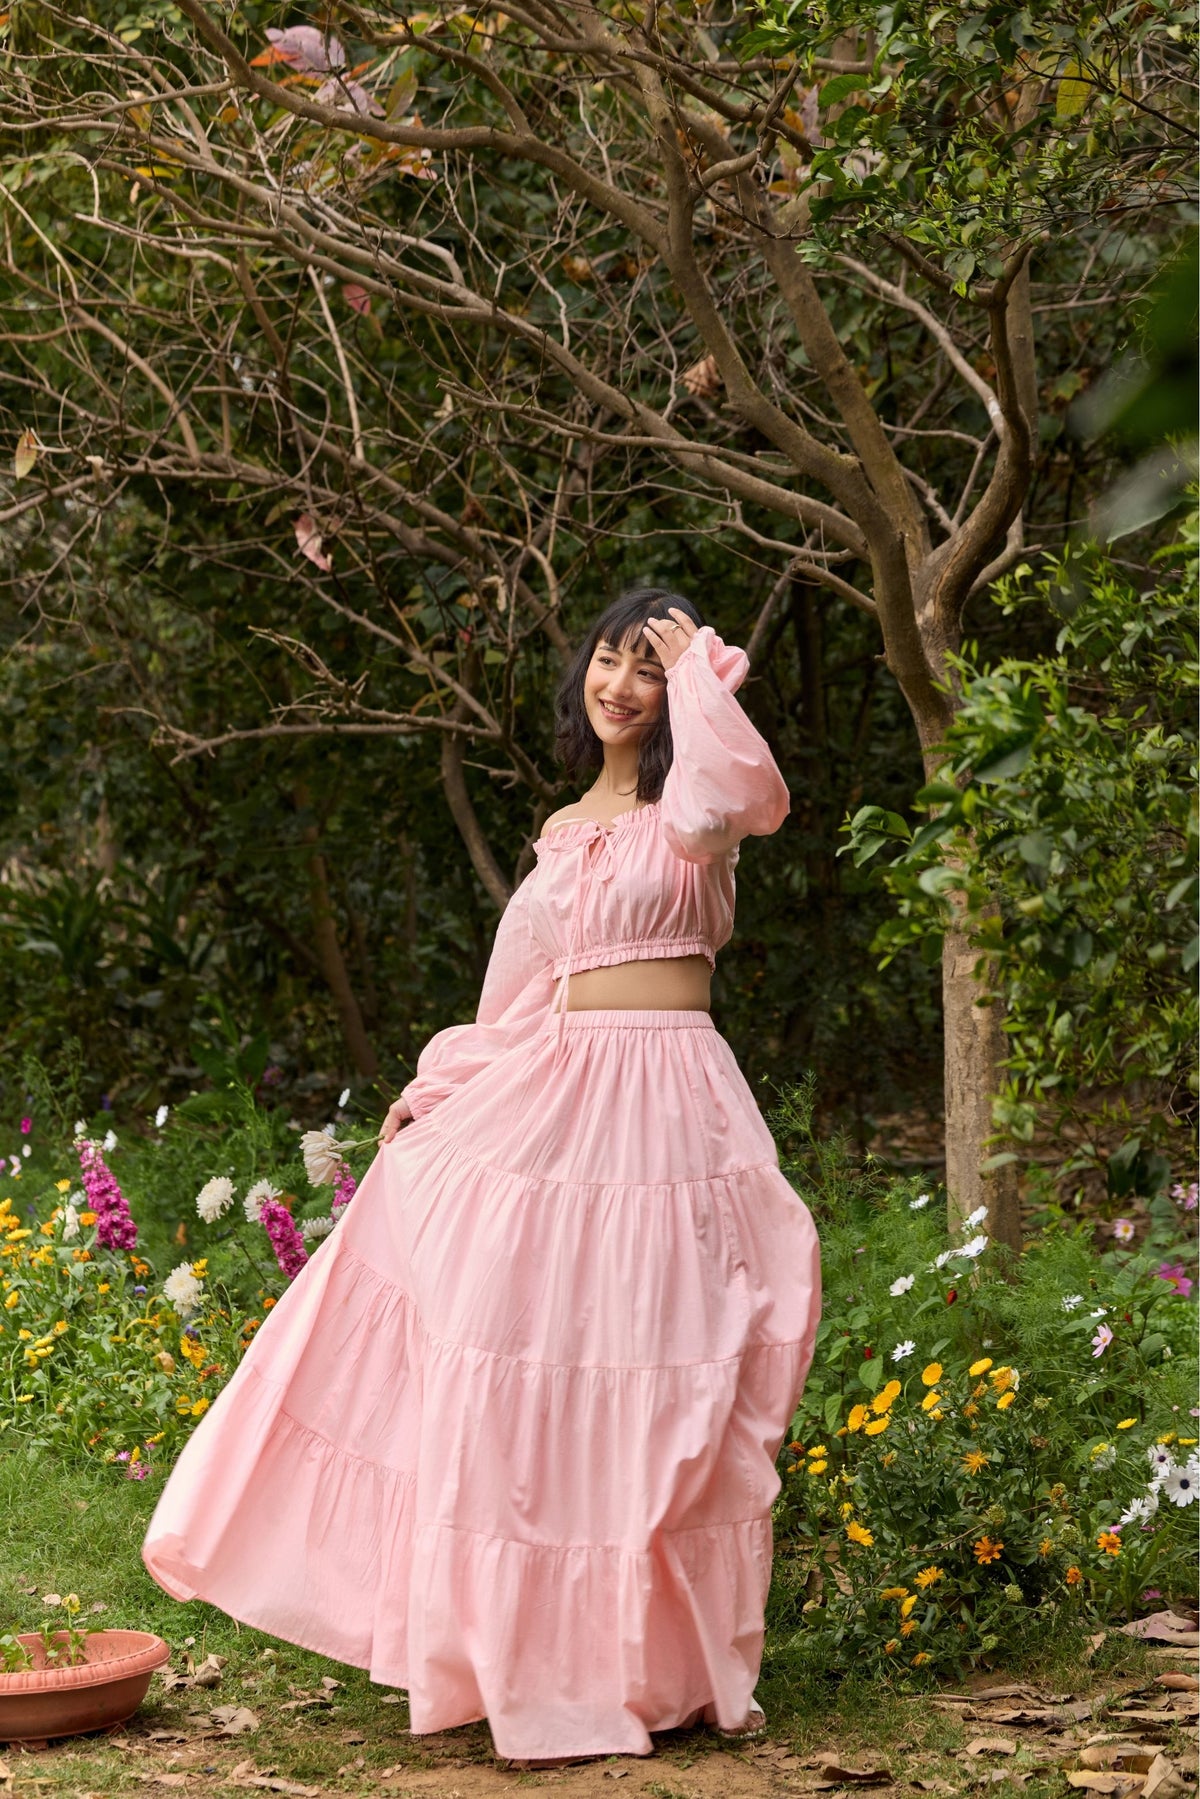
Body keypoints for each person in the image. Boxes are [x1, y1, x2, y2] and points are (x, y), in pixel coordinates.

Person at [141, 587, 821, 1767]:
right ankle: (530, 1659)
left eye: (648, 670)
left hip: (672, 1110)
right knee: (536, 1372)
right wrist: (443, 1084)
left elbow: (748, 793)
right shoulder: (565, 832)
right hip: (560, 1102)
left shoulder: (694, 810)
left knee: (664, 1387)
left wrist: (700, 675)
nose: (621, 684)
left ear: (684, 696)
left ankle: (656, 1669)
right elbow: (516, 996)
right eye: (610, 660)